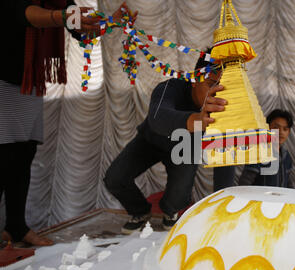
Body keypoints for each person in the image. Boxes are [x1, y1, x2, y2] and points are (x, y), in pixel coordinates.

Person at [0, 1, 134, 246]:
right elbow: (23, 13)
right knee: (5, 156)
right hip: (4, 79)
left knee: (23, 154)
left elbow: (80, 28)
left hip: (27, 81)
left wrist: (111, 21)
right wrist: (62, 16)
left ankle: (16, 227)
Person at [103, 53, 227, 233]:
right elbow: (157, 117)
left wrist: (223, 204)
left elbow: (225, 161)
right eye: (211, 85)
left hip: (186, 148)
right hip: (151, 140)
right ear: (194, 79)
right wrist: (196, 120)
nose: (216, 93)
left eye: (223, 88)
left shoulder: (226, 107)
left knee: (178, 197)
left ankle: (171, 212)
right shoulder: (171, 86)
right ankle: (140, 211)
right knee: (115, 178)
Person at [238, 109, 294, 188]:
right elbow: (244, 184)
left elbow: (288, 183)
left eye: (285, 129)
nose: (281, 132)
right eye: (276, 127)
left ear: (289, 132)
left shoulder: (286, 156)